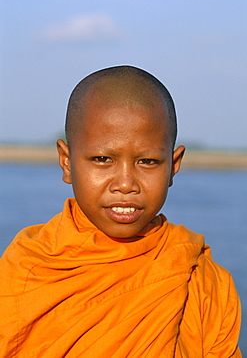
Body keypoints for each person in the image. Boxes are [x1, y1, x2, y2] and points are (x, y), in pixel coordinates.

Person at [0, 66, 241, 357]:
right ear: (66, 162)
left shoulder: (199, 277)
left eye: (148, 161)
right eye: (102, 159)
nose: (125, 184)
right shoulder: (26, 269)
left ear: (173, 166)